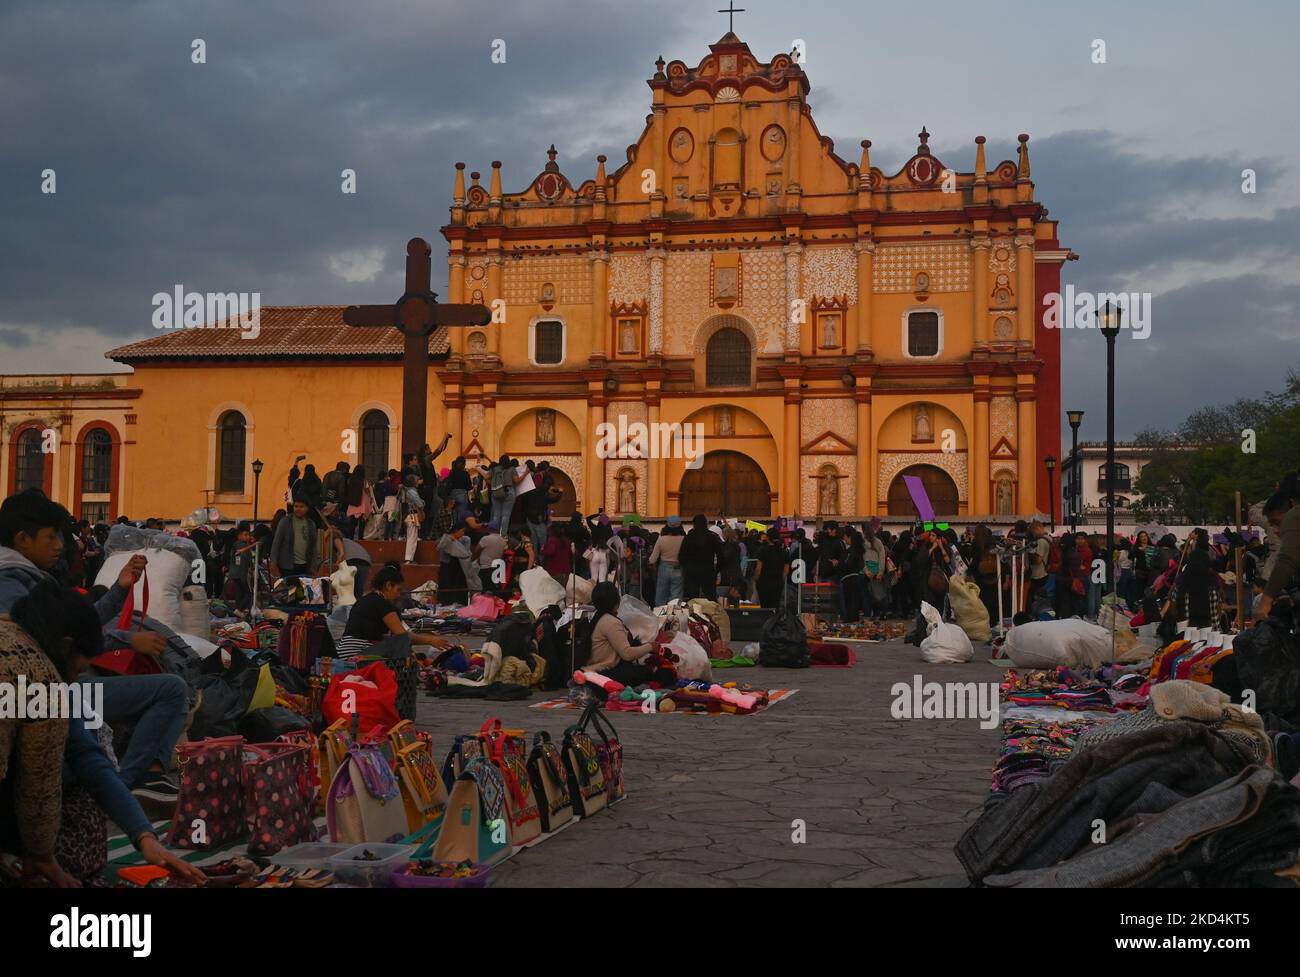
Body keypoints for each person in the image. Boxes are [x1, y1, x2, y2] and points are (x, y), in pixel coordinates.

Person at [0, 583, 206, 888]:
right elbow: (39, 783)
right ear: (67, 646)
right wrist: (43, 857)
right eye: (84, 664)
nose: (82, 671)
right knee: (78, 800)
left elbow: (85, 754)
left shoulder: (19, 637)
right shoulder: (38, 677)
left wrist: (143, 835)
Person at [334, 565, 452, 659]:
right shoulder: (381, 603)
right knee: (401, 642)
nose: (399, 594)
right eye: (398, 589)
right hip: (357, 654)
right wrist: (430, 640)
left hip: (343, 652)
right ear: (388, 585)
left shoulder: (368, 599)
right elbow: (402, 636)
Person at [588, 582, 674, 688]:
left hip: (598, 670)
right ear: (616, 601)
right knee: (658, 674)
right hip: (605, 672)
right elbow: (627, 654)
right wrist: (650, 646)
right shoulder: (610, 622)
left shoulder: (598, 618)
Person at [1257, 473, 1300, 620]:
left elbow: (1287, 560)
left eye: (1277, 523)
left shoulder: (1294, 515)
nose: (1275, 530)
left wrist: (1265, 602)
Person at [269, 499, 318, 578]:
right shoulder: (285, 521)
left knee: (301, 590)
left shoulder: (311, 524)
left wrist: (314, 565)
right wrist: (273, 563)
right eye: (296, 506)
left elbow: (314, 546)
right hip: (287, 566)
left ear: (307, 508)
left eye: (301, 507)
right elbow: (276, 543)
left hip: (305, 566)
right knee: (289, 589)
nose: (298, 509)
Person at [680, 514, 722, 601]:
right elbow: (721, 555)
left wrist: (687, 568)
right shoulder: (712, 537)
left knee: (693, 598)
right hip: (708, 571)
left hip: (692, 571)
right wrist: (716, 570)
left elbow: (682, 556)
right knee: (710, 598)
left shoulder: (689, 538)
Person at [649, 516, 685, 606]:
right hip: (678, 568)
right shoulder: (683, 539)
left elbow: (652, 559)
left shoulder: (661, 539)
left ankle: (660, 616)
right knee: (676, 597)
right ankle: (674, 617)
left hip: (663, 568)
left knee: (661, 596)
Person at [753, 527, 788, 610]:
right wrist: (781, 579)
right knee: (775, 606)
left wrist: (756, 579)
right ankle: (774, 622)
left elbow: (758, 568)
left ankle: (766, 622)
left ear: (768, 538)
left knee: (765, 607)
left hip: (764, 583)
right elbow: (786, 570)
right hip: (777, 582)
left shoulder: (763, 550)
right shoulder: (783, 552)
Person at [399, 474, 425, 564]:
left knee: (411, 536)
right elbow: (420, 504)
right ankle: (409, 559)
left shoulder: (406, 491)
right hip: (412, 515)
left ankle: (409, 559)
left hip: (408, 515)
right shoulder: (412, 492)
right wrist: (422, 503)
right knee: (412, 538)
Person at [343, 464, 373, 540]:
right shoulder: (364, 481)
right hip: (362, 503)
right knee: (362, 522)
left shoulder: (350, 480)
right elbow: (367, 491)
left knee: (352, 522)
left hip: (353, 503)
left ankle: (350, 537)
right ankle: (360, 537)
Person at [476, 522, 507, 594]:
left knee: (484, 590)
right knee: (494, 591)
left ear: (489, 529)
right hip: (496, 568)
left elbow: (476, 550)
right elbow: (502, 554)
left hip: (485, 568)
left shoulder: (486, 539)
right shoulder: (502, 540)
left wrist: (477, 558)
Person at [446, 457, 473, 521]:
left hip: (453, 494)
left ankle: (454, 528)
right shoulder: (466, 473)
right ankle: (460, 529)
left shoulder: (451, 472)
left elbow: (449, 484)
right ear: (463, 464)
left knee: (453, 514)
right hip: (462, 495)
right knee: (461, 515)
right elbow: (469, 487)